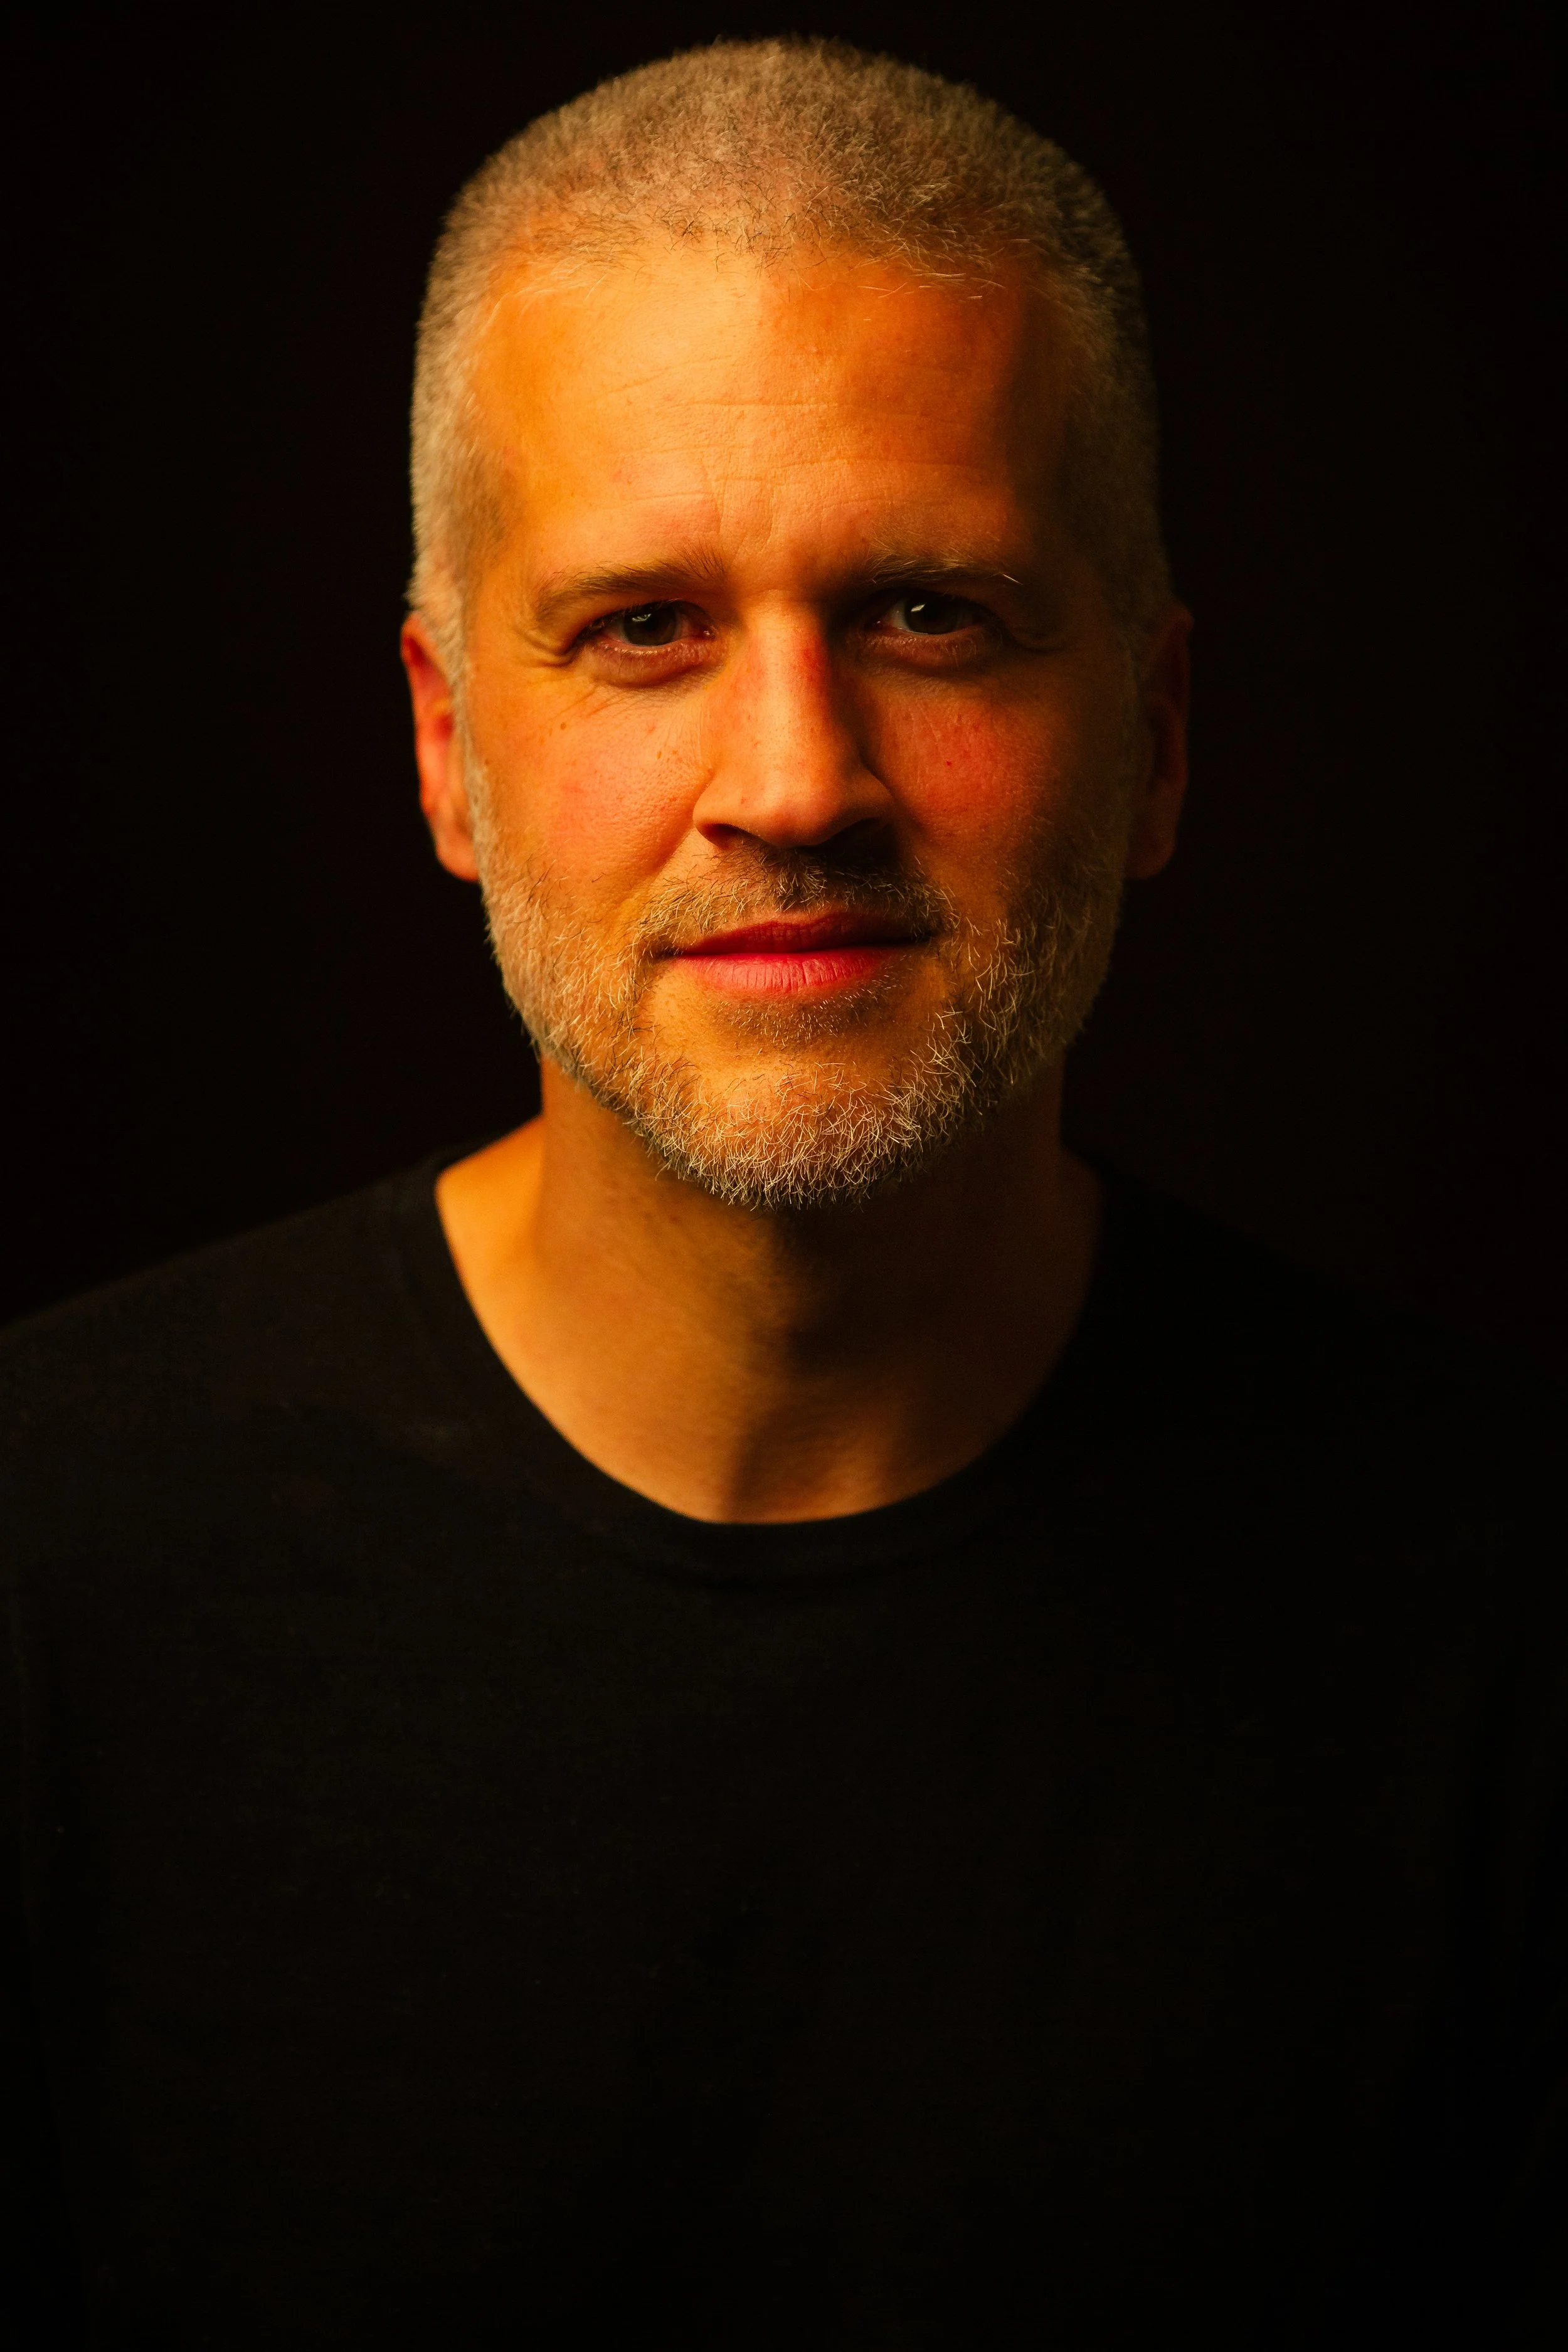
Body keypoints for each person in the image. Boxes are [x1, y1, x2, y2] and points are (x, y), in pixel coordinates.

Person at [2, 38, 1561, 2348]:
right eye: (642, 626)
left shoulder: (1507, 1623)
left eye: (931, 613)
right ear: (449, 746)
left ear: (1158, 739)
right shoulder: (41, 1554)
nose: (795, 782)